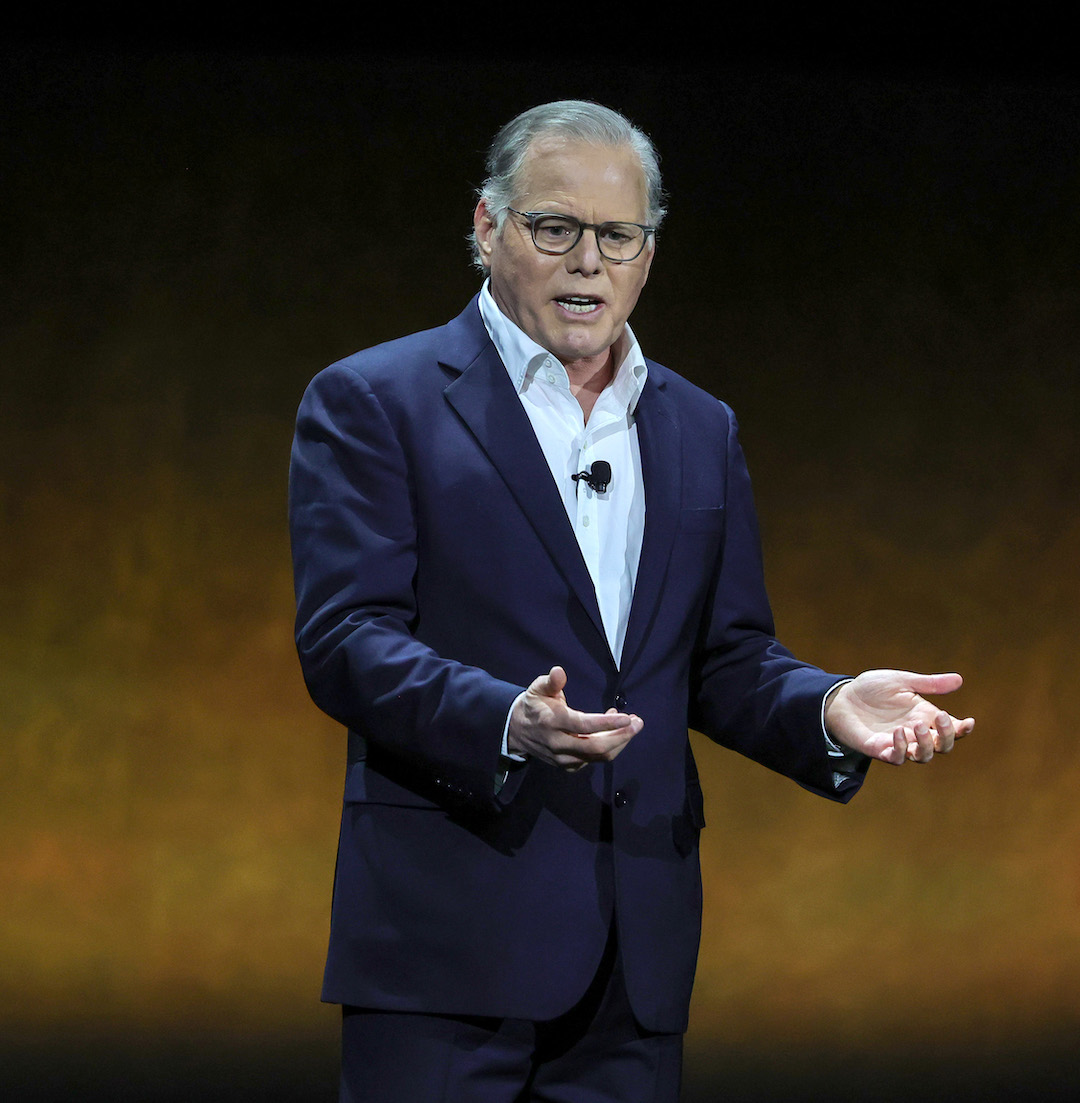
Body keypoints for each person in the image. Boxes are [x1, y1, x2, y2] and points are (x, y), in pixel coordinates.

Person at [288, 99, 975, 1103]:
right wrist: (507, 720)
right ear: (486, 229)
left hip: (635, 949)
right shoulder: (375, 401)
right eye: (554, 228)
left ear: (649, 251)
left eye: (618, 235)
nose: (587, 263)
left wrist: (827, 707)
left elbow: (724, 658)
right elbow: (346, 639)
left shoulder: (699, 427)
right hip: (447, 937)